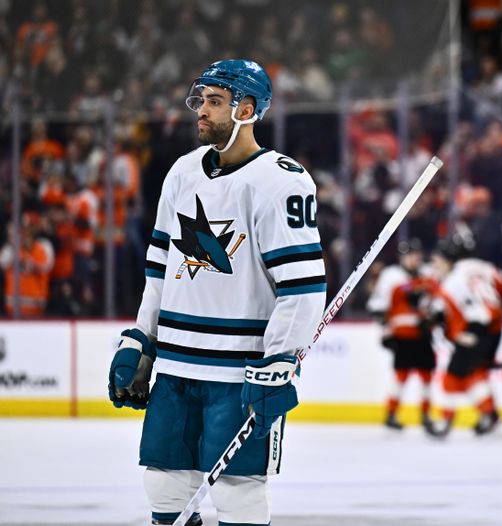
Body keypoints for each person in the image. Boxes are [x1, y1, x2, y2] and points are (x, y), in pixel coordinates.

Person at [107, 59, 326, 526]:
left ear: (246, 109)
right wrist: (142, 341)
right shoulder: (183, 171)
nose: (200, 111)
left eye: (214, 102)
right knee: (163, 485)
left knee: (237, 493)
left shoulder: (282, 180)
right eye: (200, 101)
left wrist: (280, 360)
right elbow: (159, 267)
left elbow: (303, 286)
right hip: (177, 366)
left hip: (240, 371)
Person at [427, 233, 502, 438]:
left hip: (475, 329)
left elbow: (461, 314)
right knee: (474, 374)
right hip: (493, 329)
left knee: (453, 376)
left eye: (437, 260)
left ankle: (445, 420)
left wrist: (458, 332)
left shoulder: (453, 280)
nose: (435, 264)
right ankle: (489, 414)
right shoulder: (485, 267)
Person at [367, 239, 438, 431]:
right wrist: (386, 333)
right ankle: (391, 413)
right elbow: (378, 306)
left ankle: (425, 415)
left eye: (416, 254)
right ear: (402, 257)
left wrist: (432, 319)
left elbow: (436, 301)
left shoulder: (428, 274)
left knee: (426, 375)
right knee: (401, 375)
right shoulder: (391, 276)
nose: (414, 259)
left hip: (422, 335)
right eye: (409, 255)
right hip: (402, 335)